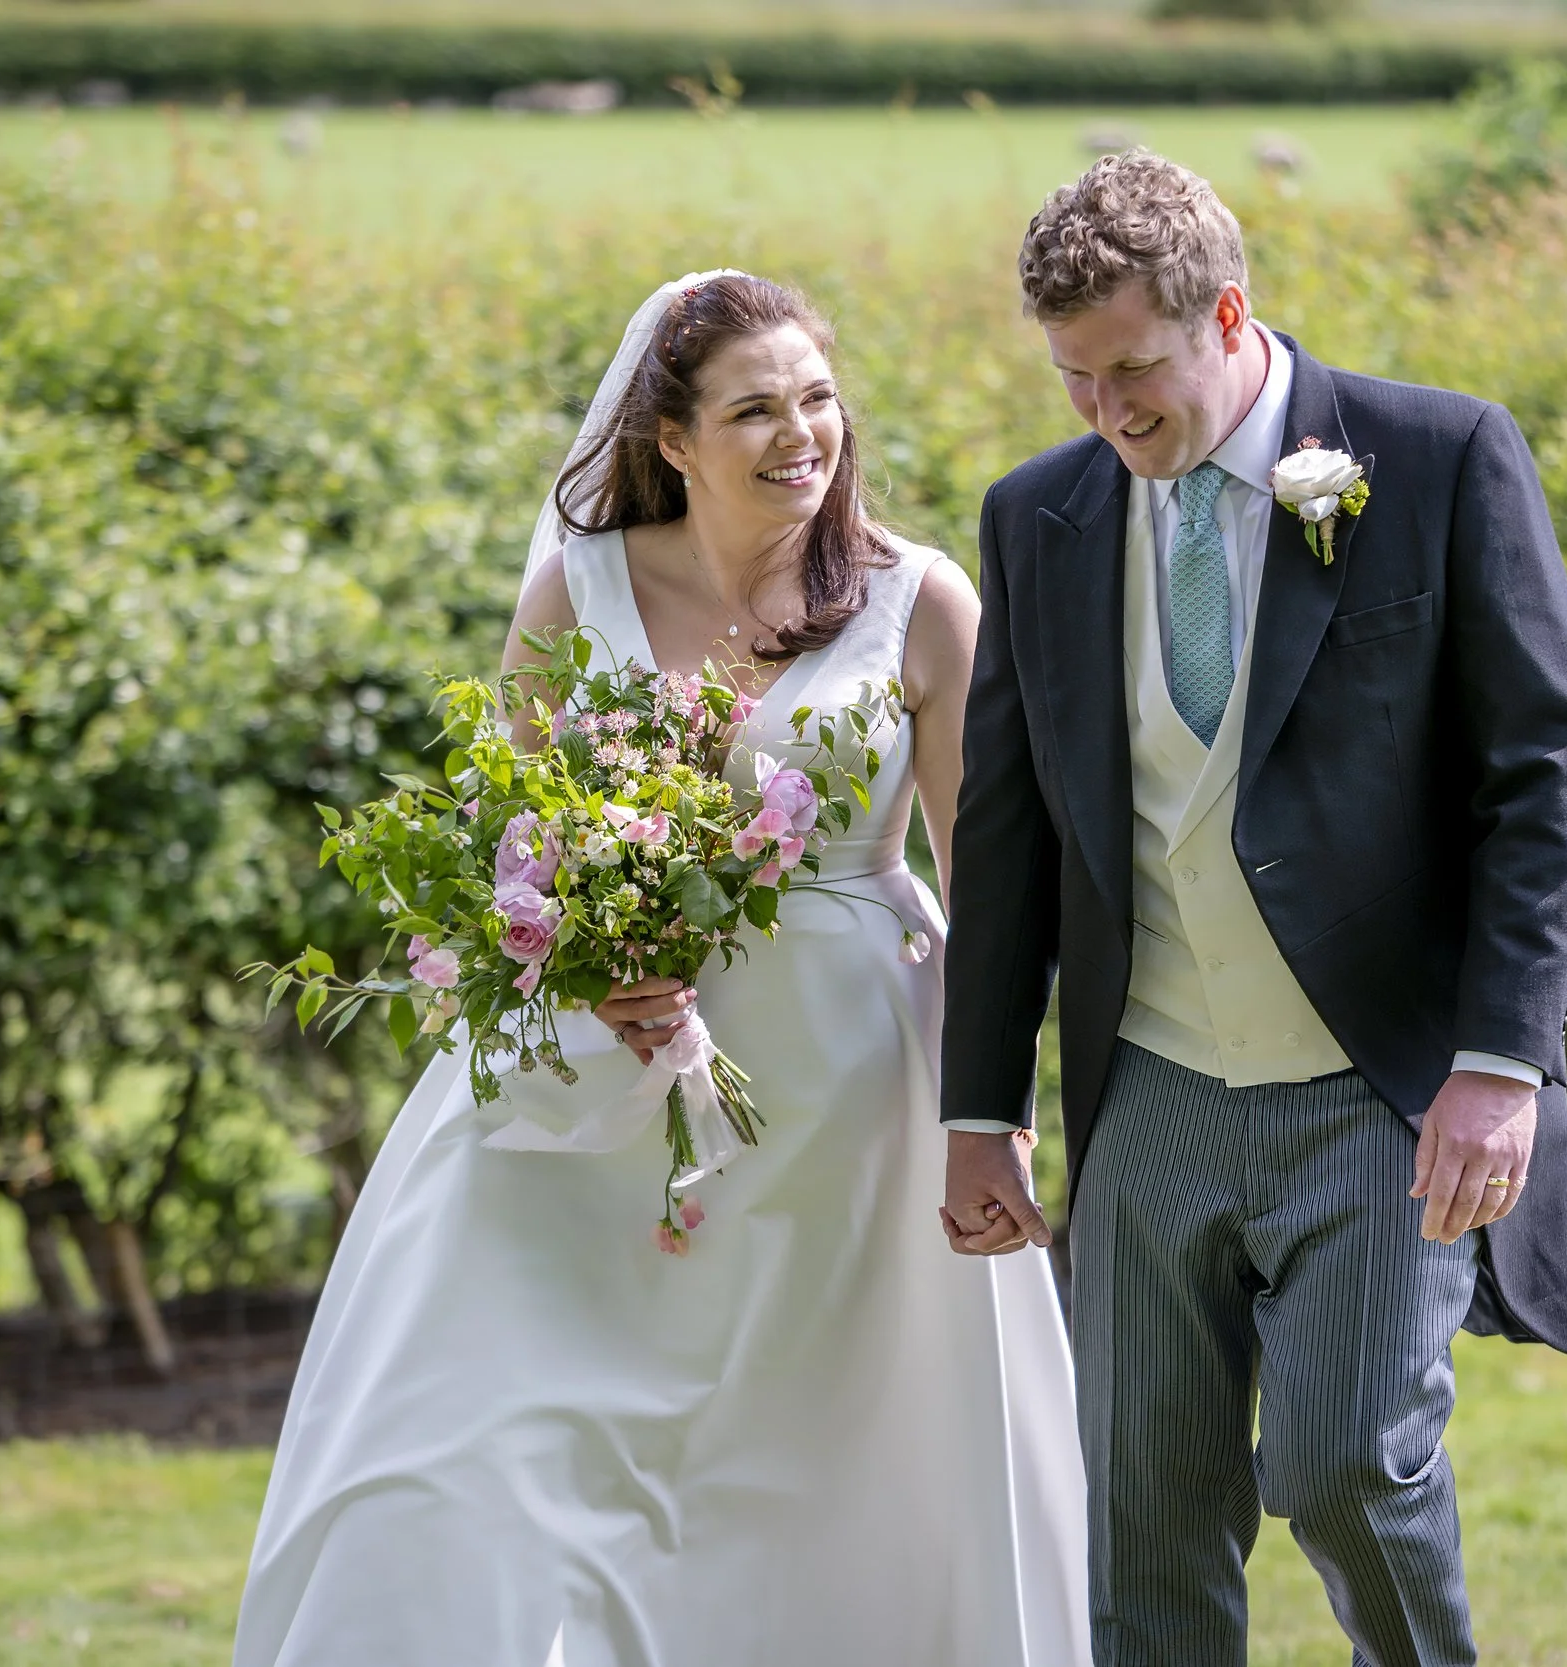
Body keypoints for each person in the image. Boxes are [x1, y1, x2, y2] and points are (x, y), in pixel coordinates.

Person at [234, 272, 1091, 1667]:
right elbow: (492, 855)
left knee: (823, 1468)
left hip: (851, 1102)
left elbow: (994, 887)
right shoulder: (576, 592)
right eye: (754, 407)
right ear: (672, 439)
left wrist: (988, 1118)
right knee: (485, 1443)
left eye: (817, 399)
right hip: (599, 1103)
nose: (799, 434)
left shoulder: (919, 601)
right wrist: (576, 968)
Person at [937, 153, 1567, 1667]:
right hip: (1153, 1088)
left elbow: (1537, 779)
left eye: (1134, 370)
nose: (1108, 414)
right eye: (1073, 379)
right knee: (1144, 1521)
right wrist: (981, 1104)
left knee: (1348, 1461)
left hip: (1380, 1086)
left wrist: (1502, 1063)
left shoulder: (1436, 458)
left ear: (1228, 314)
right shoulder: (1035, 517)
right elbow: (1008, 824)